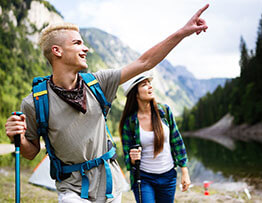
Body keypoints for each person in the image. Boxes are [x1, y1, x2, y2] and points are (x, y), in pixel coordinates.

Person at [5, 3, 209, 203]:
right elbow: (30, 152)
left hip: (110, 186)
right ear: (57, 51)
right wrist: (19, 137)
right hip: (71, 189)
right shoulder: (35, 102)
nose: (86, 48)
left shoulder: (98, 83)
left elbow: (145, 62)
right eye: (77, 43)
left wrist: (183, 32)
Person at [119, 75, 190, 203]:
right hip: (143, 178)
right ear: (135, 93)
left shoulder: (164, 111)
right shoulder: (130, 122)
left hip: (168, 177)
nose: (150, 86)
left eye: (149, 83)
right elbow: (128, 159)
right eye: (144, 84)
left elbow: (176, 141)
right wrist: (133, 159)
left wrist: (184, 171)